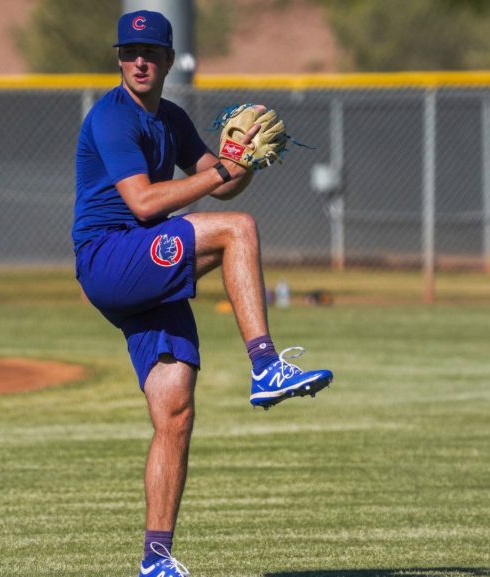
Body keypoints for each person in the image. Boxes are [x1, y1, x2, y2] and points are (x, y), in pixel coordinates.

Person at [73, 11, 334, 577]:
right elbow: (144, 204)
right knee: (239, 229)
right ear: (119, 58)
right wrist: (222, 177)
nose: (139, 60)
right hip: (111, 254)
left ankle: (156, 559)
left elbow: (220, 177)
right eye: (128, 51)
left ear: (168, 60)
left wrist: (245, 163)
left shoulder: (171, 118)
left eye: (150, 52)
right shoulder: (113, 118)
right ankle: (265, 366)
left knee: (175, 411)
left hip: (144, 264)